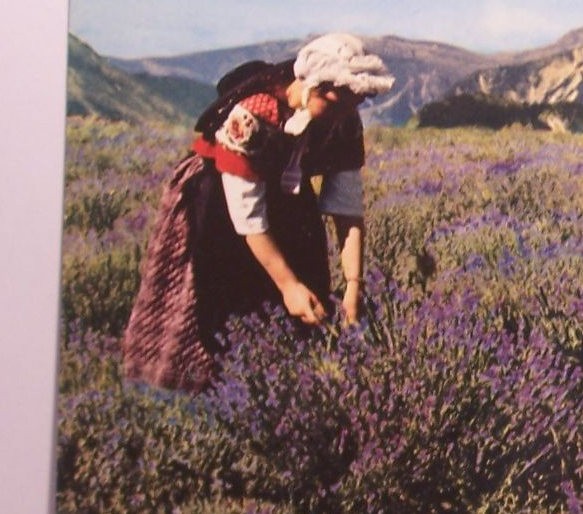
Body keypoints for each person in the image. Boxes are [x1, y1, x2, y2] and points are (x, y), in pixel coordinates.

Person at [121, 33, 395, 392]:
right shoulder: (251, 115)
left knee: (308, 293)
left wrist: (353, 286)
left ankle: (289, 393)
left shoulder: (342, 119)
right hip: (219, 197)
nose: (347, 113)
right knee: (220, 305)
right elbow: (248, 218)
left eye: (354, 102)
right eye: (341, 101)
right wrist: (288, 286)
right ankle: (214, 397)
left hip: (286, 194)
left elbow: (347, 210)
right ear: (317, 87)